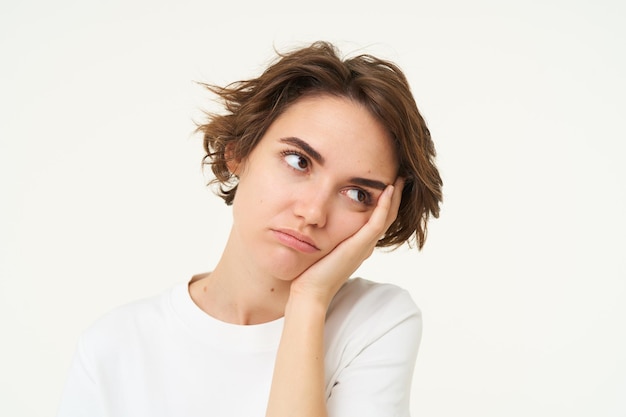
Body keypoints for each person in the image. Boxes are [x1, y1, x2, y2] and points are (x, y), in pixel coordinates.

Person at [57, 41, 443, 417]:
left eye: (357, 193)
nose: (312, 212)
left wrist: (309, 299)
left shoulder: (377, 322)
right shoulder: (115, 347)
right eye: (298, 161)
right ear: (239, 151)